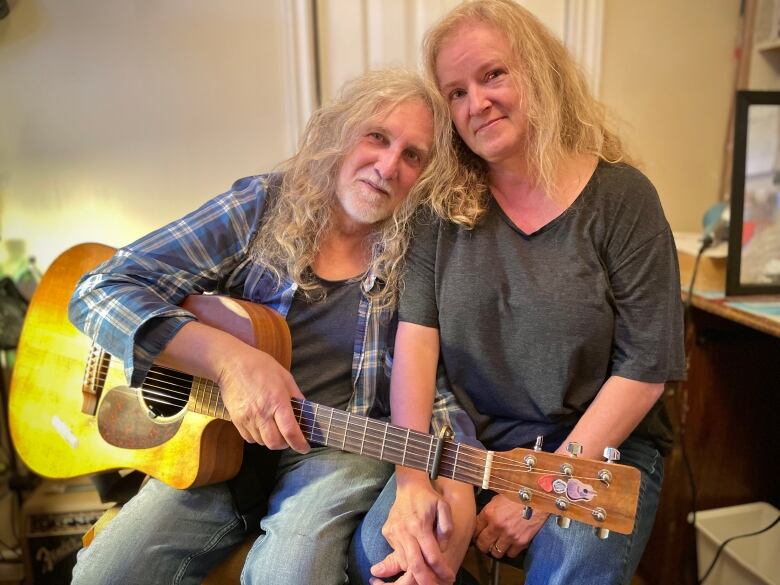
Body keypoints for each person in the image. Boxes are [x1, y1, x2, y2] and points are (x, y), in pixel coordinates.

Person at [67, 67, 447, 585]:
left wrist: (437, 477)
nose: (387, 166)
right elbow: (97, 292)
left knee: (289, 574)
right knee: (103, 576)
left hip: (337, 452)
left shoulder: (421, 255)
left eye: (413, 155)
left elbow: (443, 383)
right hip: (216, 442)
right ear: (340, 135)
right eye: (376, 136)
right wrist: (229, 363)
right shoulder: (261, 206)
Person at [350, 2, 686, 584]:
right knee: (381, 557)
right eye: (454, 92)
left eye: (492, 75)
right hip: (469, 443)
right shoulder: (437, 209)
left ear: (539, 72)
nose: (475, 103)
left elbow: (646, 368)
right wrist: (415, 478)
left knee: (571, 569)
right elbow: (416, 349)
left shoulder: (622, 198)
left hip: (600, 451)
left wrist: (541, 488)